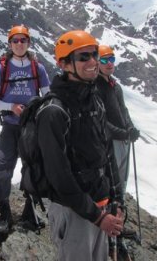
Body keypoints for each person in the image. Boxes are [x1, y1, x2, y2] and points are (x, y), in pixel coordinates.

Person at [37, 30, 124, 261]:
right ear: (64, 64)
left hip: (100, 204)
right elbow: (59, 176)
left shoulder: (94, 99)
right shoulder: (53, 111)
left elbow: (106, 153)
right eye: (83, 57)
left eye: (94, 54)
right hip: (74, 211)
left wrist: (116, 200)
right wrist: (97, 217)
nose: (93, 62)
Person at [0, 25, 50, 233]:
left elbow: (48, 96)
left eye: (23, 40)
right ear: (10, 43)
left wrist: (35, 108)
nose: (19, 44)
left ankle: (29, 212)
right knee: (2, 166)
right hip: (10, 126)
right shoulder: (2, 69)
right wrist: (11, 107)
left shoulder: (37, 68)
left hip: (31, 127)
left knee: (32, 168)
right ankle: (4, 215)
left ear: (29, 43)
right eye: (15, 40)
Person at [95, 45, 140, 260]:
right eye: (104, 60)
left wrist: (129, 128)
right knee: (114, 186)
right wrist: (125, 133)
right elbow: (102, 123)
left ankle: (119, 226)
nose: (109, 63)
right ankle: (115, 231)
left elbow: (123, 111)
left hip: (122, 141)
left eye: (111, 59)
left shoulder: (114, 86)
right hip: (111, 143)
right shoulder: (96, 87)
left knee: (120, 185)